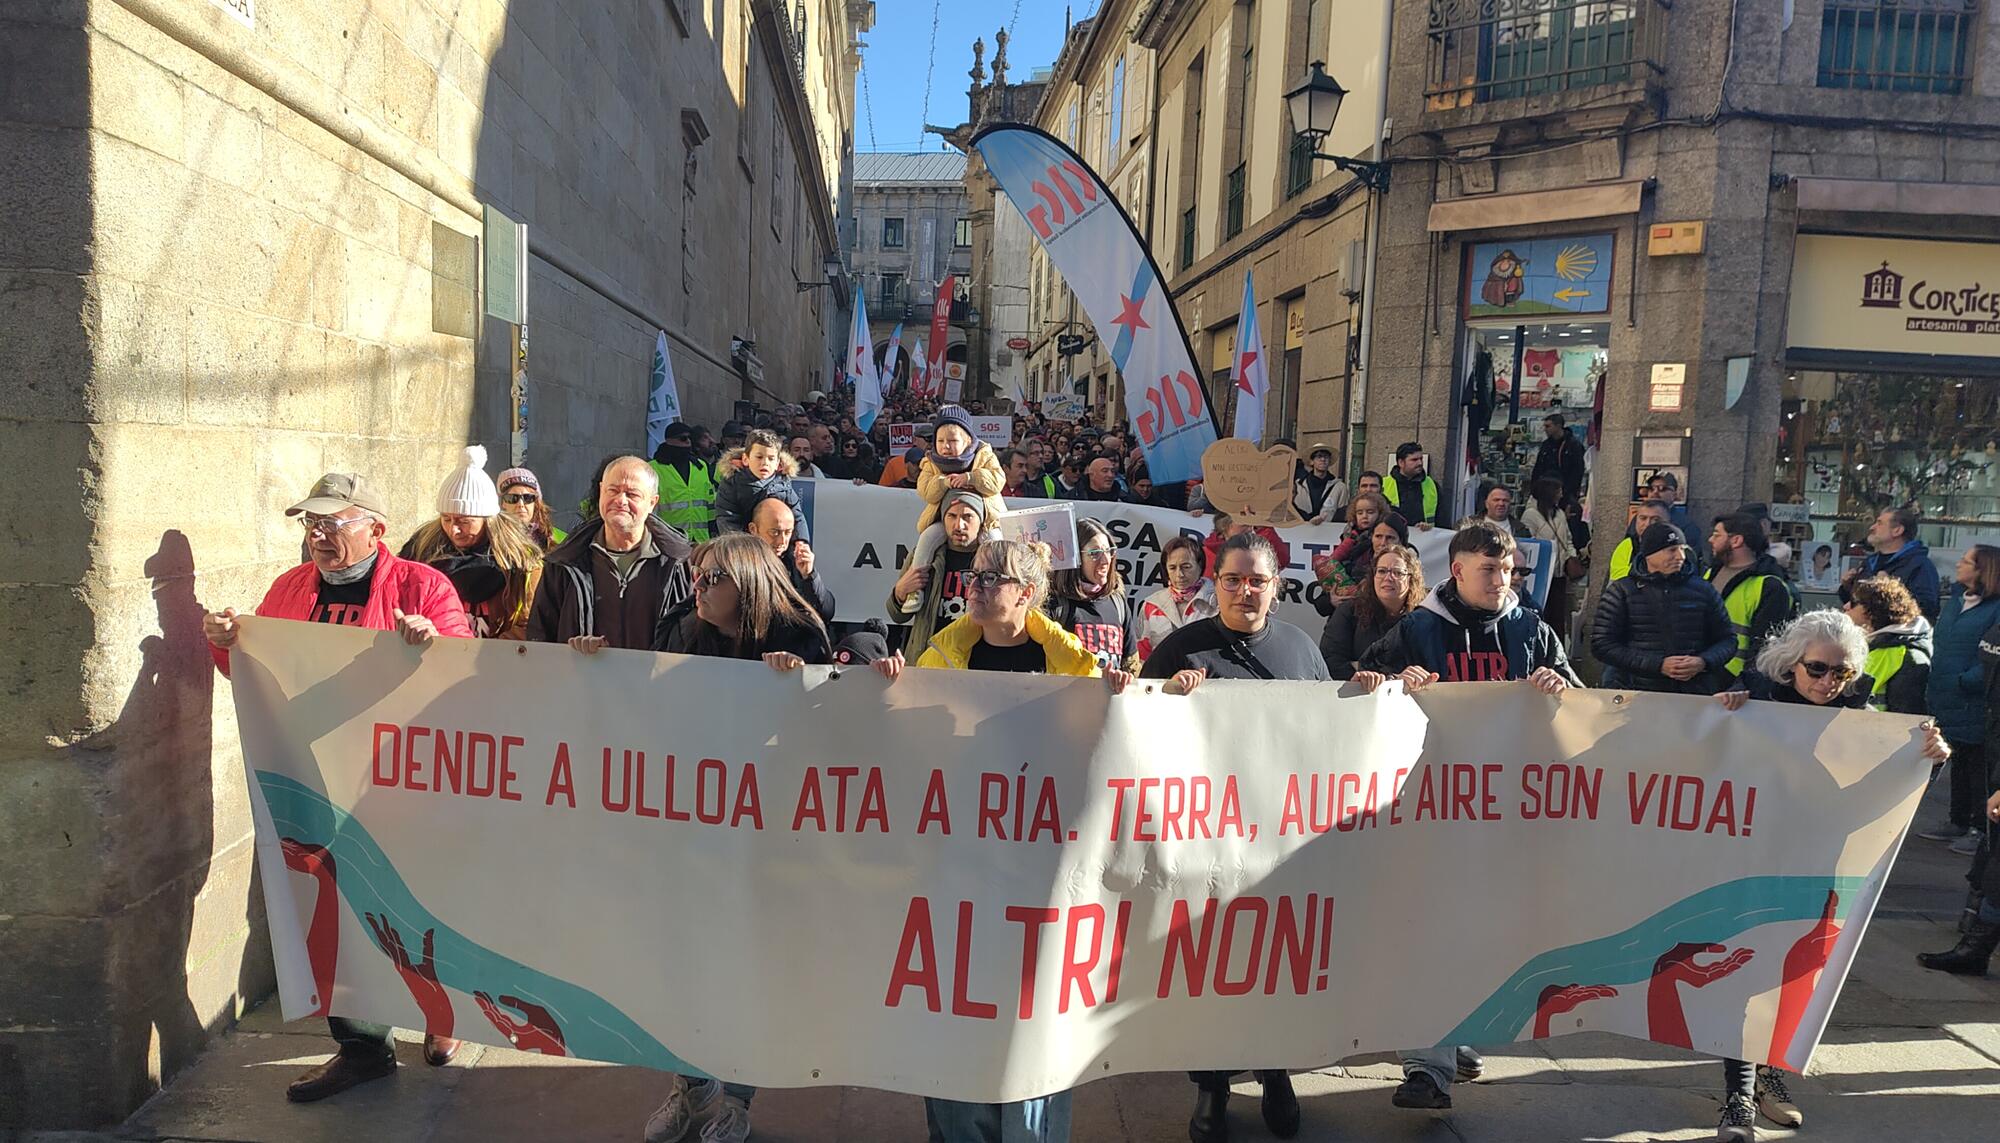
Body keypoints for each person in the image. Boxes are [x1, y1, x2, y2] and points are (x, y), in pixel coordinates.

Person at [201, 472, 471, 1103]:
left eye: (333, 522)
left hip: (402, 778)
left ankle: (443, 1013)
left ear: (375, 528)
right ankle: (362, 1046)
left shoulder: (424, 585)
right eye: (311, 524)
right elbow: (260, 673)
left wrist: (433, 644)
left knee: (416, 902)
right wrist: (226, 645)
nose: (318, 535)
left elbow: (466, 671)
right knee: (341, 910)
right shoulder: (291, 588)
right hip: (319, 775)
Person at [866, 540, 1102, 1143]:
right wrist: (890, 690)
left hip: (1039, 873)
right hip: (957, 866)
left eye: (992, 577)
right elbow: (907, 746)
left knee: (1032, 1015)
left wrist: (1123, 699)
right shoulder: (939, 656)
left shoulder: (1076, 668)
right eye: (975, 574)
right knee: (954, 1007)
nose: (974, 584)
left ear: (1027, 594)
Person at [1716, 610, 1950, 1141]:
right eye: (1817, 669)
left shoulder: (1862, 716)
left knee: (1792, 974)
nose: (1829, 683)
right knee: (1745, 974)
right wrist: (1719, 714)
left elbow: (1893, 790)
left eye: (1841, 673)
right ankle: (1738, 1095)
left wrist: (1931, 759)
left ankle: (1769, 1072)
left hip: (1819, 866)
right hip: (1750, 859)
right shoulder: (1754, 696)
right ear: (1791, 663)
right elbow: (1705, 754)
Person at [643, 534, 829, 1143]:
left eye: (711, 579)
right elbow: (641, 698)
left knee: (747, 964)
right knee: (683, 959)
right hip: (691, 821)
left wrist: (797, 686)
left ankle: (738, 1098)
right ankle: (691, 1090)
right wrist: (595, 661)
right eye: (696, 576)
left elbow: (825, 733)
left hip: (765, 832)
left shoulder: (799, 634)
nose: (698, 588)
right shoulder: (682, 627)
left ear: (747, 581)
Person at [1140, 531, 1322, 1143]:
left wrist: (1373, 693)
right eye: (1233, 580)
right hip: (1205, 843)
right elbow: (1136, 732)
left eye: (1258, 581)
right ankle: (1212, 1087)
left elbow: (1333, 737)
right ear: (1215, 584)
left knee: (1275, 963)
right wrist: (1167, 699)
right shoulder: (1180, 650)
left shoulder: (1302, 651)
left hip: (1282, 840)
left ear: (1277, 585)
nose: (1246, 591)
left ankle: (1276, 1073)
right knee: (1213, 967)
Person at [528, 456, 694, 652]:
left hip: (657, 681)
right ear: (601, 492)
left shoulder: (681, 563)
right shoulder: (565, 562)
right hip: (584, 680)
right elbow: (539, 636)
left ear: (652, 502)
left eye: (632, 494)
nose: (620, 501)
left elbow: (697, 637)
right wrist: (576, 650)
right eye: (613, 491)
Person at [398, 446, 544, 640]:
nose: (454, 530)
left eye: (464, 521)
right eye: (446, 519)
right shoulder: (420, 552)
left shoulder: (522, 563)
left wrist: (490, 655)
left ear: (488, 519)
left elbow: (531, 623)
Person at [1589, 523, 1735, 694]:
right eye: (1671, 550)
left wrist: (1703, 662)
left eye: (1682, 549)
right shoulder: (1622, 591)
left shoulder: (1704, 590)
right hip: (1636, 691)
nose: (1680, 556)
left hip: (1694, 693)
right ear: (1649, 554)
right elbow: (1601, 644)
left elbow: (1728, 640)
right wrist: (1657, 665)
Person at [1919, 546, 2000, 850]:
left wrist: (1967, 680)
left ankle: (1979, 829)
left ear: (1984, 571)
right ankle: (1957, 821)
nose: (1959, 564)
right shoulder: (1955, 601)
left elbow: (1992, 656)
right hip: (1946, 693)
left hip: (1974, 697)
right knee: (1959, 760)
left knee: (1978, 765)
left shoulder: (1995, 608)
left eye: (1966, 562)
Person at [888, 490, 990, 654]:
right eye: (952, 516)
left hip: (976, 662)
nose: (959, 525)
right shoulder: (923, 557)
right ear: (942, 519)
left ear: (981, 520)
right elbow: (898, 617)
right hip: (927, 659)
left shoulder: (993, 562)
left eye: (967, 517)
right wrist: (900, 592)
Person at [1705, 513, 1799, 680]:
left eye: (1717, 534)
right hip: (1704, 670)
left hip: (1735, 682)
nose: (1710, 540)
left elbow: (1764, 646)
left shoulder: (1771, 587)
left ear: (1736, 540)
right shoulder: (1711, 573)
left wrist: (1746, 683)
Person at [912, 405, 1007, 571]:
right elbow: (925, 491)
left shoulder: (984, 455)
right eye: (940, 441)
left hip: (986, 521)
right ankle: (916, 587)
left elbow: (997, 481)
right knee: (927, 538)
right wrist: (943, 482)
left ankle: (997, 584)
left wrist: (972, 478)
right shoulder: (930, 462)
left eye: (953, 441)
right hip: (945, 521)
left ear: (968, 440)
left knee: (995, 543)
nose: (945, 446)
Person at [1321, 542, 1425, 680]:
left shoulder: (1423, 618)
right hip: (1356, 696)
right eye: (1382, 571)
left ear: (1411, 579)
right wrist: (1358, 678)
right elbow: (1330, 658)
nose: (1388, 578)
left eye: (1397, 573)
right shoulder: (1349, 611)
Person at [1046, 517, 1139, 671]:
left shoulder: (1117, 602)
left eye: (1109, 551)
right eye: (1095, 553)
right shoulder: (1055, 604)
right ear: (1075, 558)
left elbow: (1131, 666)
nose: (1105, 560)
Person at [1843, 574, 1934, 717]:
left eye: (1854, 602)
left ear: (1872, 611)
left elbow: (1906, 716)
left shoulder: (1908, 655)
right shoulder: (1869, 645)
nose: (1846, 606)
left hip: (1880, 733)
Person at [1842, 506, 1941, 620]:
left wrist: (1891, 590)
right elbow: (1857, 604)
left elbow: (1928, 609)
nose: (1872, 527)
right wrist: (1847, 587)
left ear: (1897, 530)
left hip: (1895, 636)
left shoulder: (1920, 566)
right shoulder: (1869, 562)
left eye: (1879, 523)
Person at [745, 497, 835, 621]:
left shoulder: (796, 560)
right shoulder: (739, 565)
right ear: (753, 530)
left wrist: (809, 576)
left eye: (788, 533)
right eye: (774, 532)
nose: (782, 541)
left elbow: (826, 612)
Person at [714, 430, 809, 542]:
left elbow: (797, 517)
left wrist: (801, 542)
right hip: (745, 549)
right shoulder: (732, 484)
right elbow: (727, 519)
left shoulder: (783, 484)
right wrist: (744, 549)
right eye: (759, 457)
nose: (765, 463)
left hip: (778, 548)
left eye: (771, 458)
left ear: (778, 463)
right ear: (746, 459)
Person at [1135, 535, 1218, 664]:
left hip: (1207, 680)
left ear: (1200, 566)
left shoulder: (1218, 603)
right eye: (1172, 568)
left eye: (1186, 567)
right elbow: (1143, 655)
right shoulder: (1151, 605)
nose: (1179, 574)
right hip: (1162, 681)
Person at [1313, 492, 1394, 610]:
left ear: (1380, 514)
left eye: (1370, 512)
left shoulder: (1387, 548)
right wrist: (1331, 601)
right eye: (1360, 512)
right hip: (1343, 615)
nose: (1365, 516)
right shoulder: (1348, 541)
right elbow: (1322, 601)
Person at [1521, 478, 1579, 626]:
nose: (1561, 495)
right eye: (1558, 491)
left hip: (1559, 574)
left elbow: (1567, 538)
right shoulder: (1530, 515)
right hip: (1541, 574)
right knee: (1541, 613)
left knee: (1558, 616)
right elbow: (1529, 544)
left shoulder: (1559, 514)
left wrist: (1571, 556)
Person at [651, 421, 717, 542]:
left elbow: (710, 502)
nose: (688, 442)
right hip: (669, 541)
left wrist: (713, 530)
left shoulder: (701, 466)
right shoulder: (654, 468)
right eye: (683, 438)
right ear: (669, 440)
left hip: (700, 540)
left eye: (689, 438)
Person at [496, 466, 566, 549]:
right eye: (512, 498)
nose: (520, 504)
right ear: (502, 503)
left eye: (528, 498)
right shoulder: (493, 540)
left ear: (536, 503)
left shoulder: (562, 540)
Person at [1606, 499, 1672, 583]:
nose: (1647, 524)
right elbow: (1617, 577)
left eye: (1655, 519)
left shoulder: (1676, 547)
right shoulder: (1627, 545)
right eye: (1643, 518)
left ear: (1668, 522)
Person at [1384, 442, 1442, 528]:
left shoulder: (1432, 485)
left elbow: (1442, 520)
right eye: (1414, 460)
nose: (1420, 463)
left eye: (1421, 459)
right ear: (1401, 462)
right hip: (1393, 538)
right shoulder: (1383, 485)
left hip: (1425, 538)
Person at [1529, 413, 1585, 501]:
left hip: (1565, 493)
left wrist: (1567, 492)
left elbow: (1577, 471)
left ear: (1558, 426)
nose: (1545, 429)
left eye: (1548, 426)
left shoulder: (1573, 445)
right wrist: (1534, 489)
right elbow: (1538, 468)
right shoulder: (1546, 445)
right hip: (1544, 491)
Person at [1294, 445, 1349, 524]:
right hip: (1301, 531)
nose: (1323, 459)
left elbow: (1342, 515)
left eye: (1326, 457)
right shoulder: (1298, 485)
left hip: (1328, 533)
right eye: (1319, 456)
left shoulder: (1340, 487)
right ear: (1312, 461)